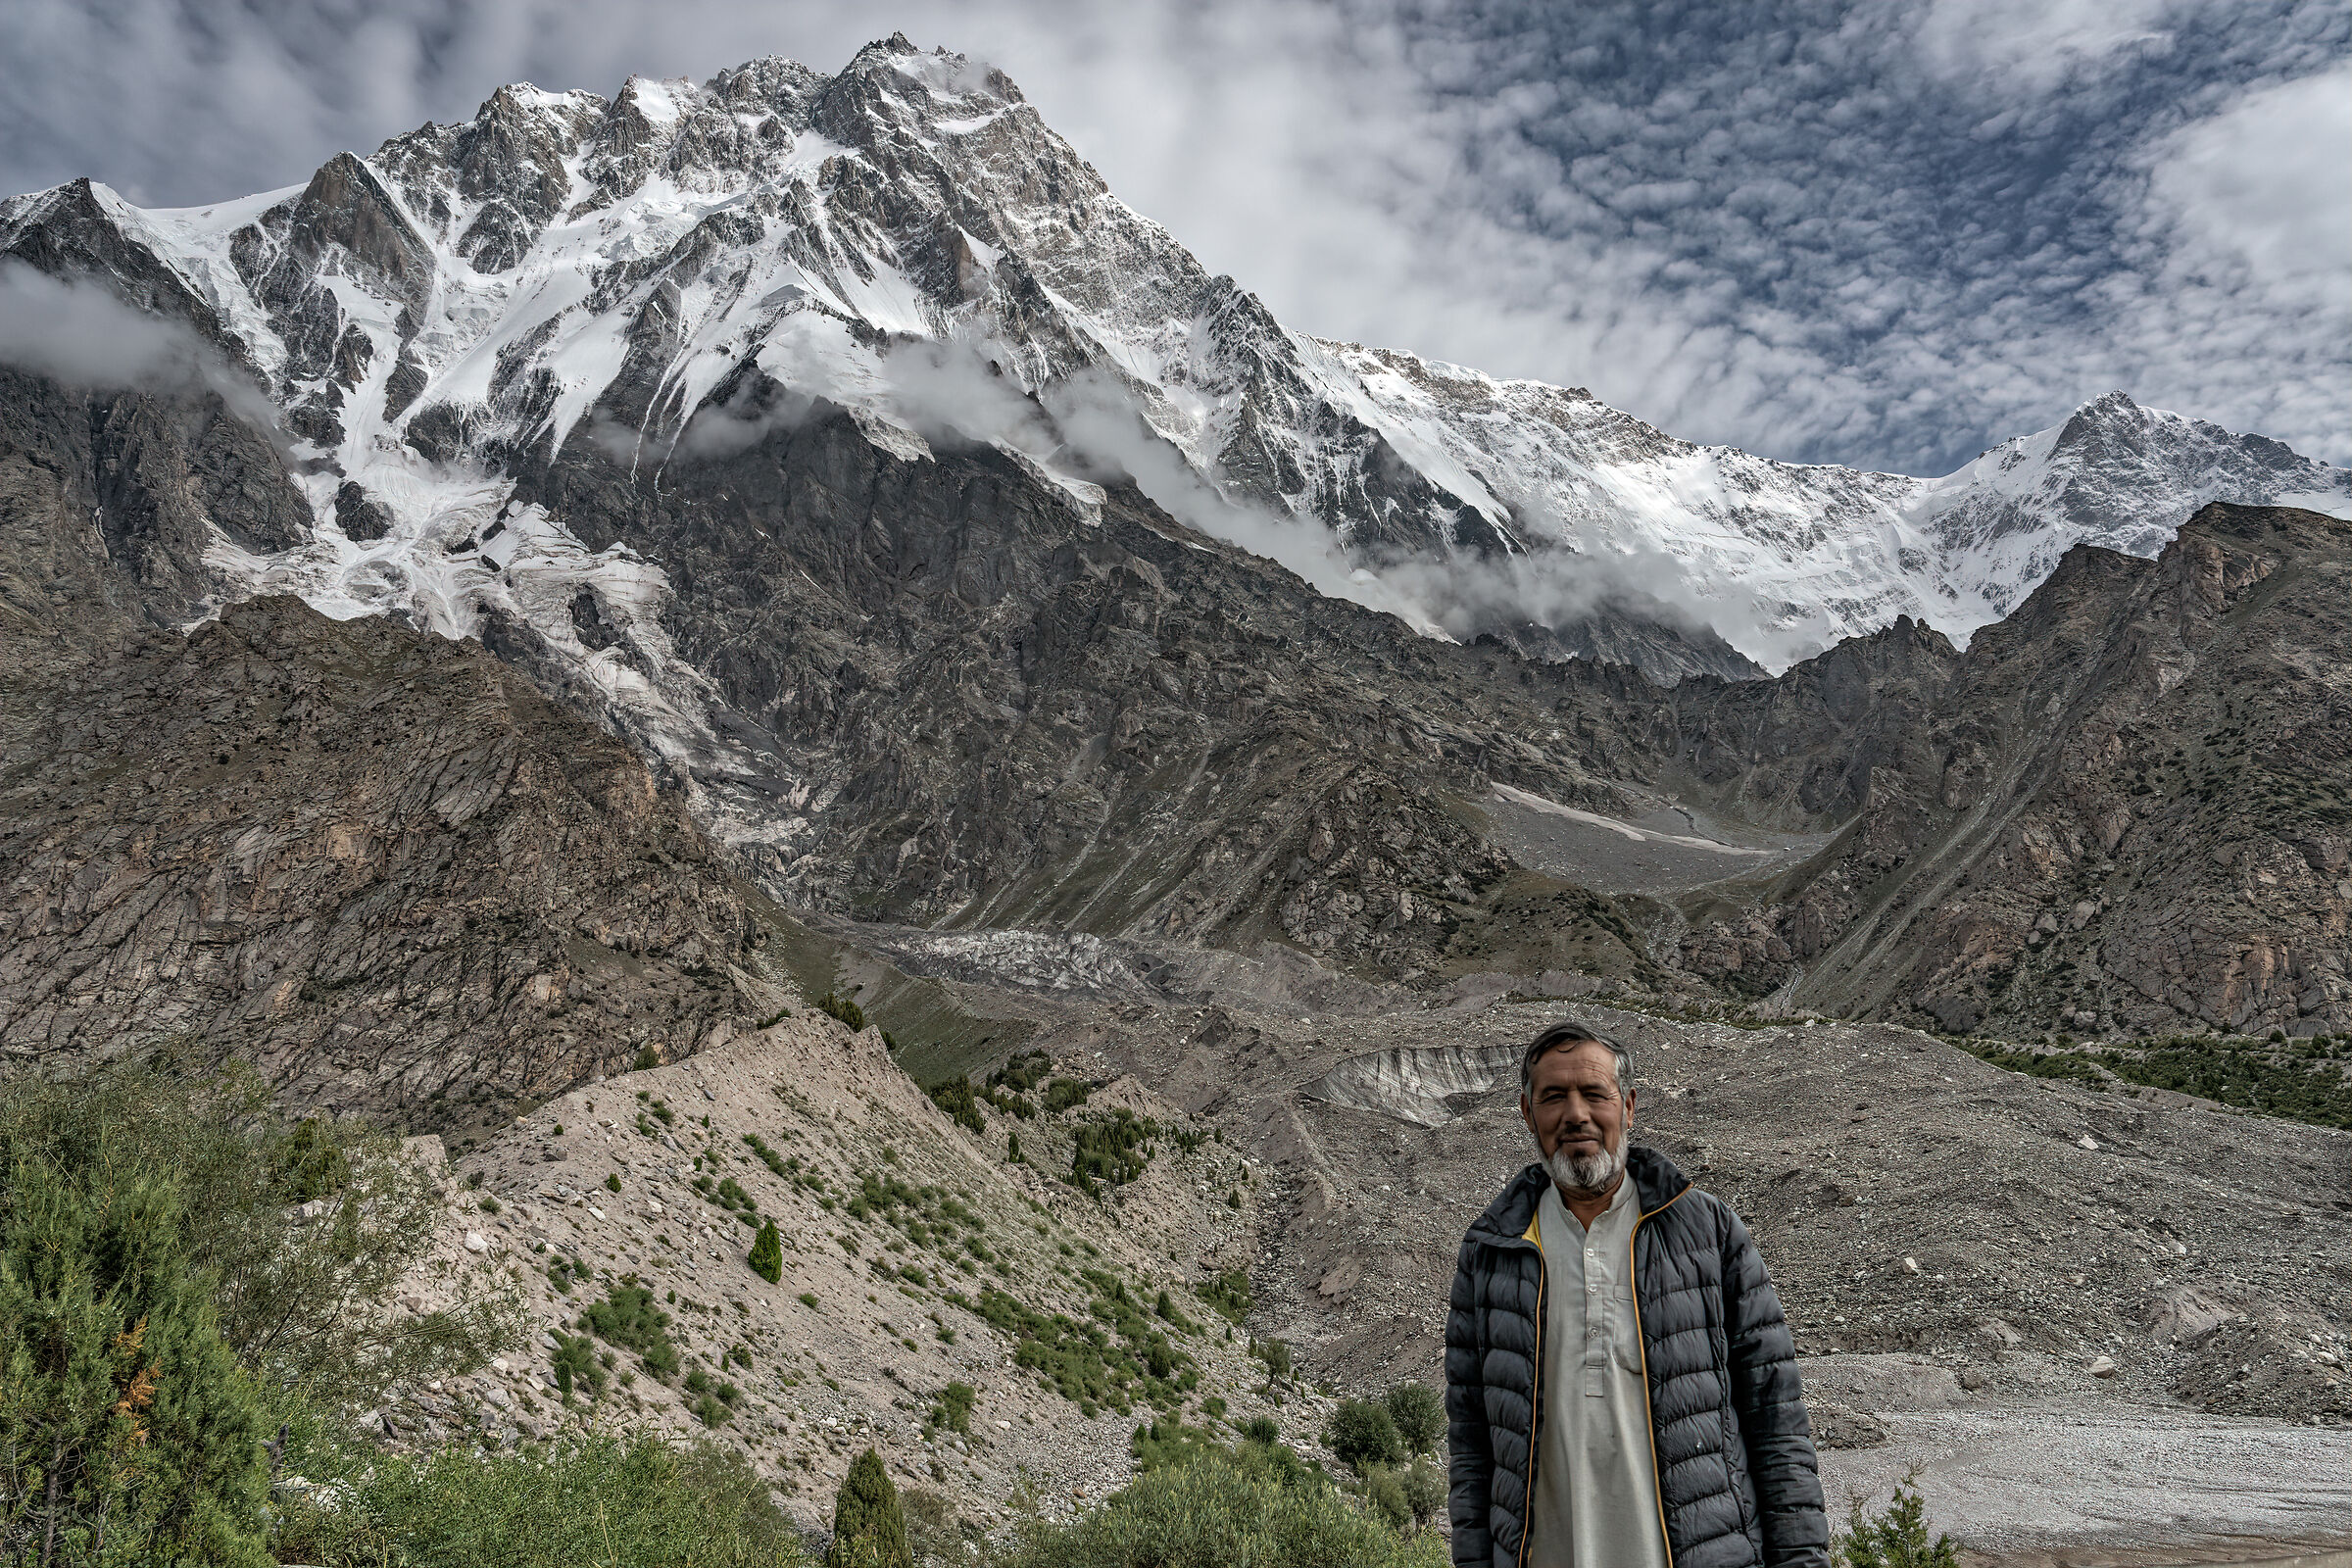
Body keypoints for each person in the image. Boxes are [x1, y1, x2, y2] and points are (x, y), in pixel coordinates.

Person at [1444, 1021, 1828, 1568]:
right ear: (1529, 1115)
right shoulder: (1491, 1253)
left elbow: (1776, 1417)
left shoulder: (1706, 1231)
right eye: (1553, 1097)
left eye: (1594, 1094)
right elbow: (1472, 1445)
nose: (1575, 1114)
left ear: (1627, 1106)